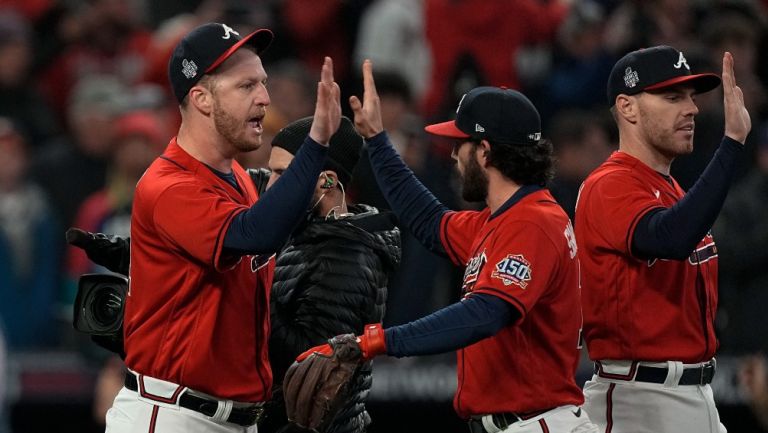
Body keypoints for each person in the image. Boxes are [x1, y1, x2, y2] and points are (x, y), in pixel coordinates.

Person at [295, 60, 598, 433]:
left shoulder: (533, 222)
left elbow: (485, 313)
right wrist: (376, 139)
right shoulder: (500, 220)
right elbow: (427, 220)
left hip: (534, 421)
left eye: (460, 144)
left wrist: (373, 342)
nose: (453, 156)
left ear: (485, 151)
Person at [68, 116, 401, 433]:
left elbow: (308, 362)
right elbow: (207, 238)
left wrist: (245, 288)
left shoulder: (349, 254)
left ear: (326, 182)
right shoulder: (286, 212)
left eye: (284, 174)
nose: (270, 186)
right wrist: (134, 254)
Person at [105, 22, 342, 433]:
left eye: (263, 83)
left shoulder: (241, 179)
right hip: (172, 414)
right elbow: (255, 234)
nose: (265, 98)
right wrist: (317, 142)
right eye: (246, 86)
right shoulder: (168, 185)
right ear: (201, 98)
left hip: (234, 417)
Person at [574, 45, 751, 433]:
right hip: (640, 399)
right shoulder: (609, 185)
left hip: (693, 393)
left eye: (690, 97)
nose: (691, 108)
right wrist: (732, 144)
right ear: (628, 107)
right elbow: (671, 237)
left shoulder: (670, 188)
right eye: (672, 97)